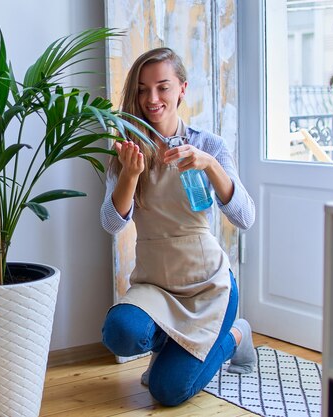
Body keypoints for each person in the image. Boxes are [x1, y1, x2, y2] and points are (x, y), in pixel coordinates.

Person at [100, 47, 257, 407]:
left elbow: (244, 217)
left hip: (208, 285)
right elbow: (110, 223)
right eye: (142, 89)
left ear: (182, 89)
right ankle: (172, 343)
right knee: (120, 332)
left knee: (167, 391)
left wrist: (210, 166)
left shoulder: (208, 145)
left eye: (162, 87)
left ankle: (235, 334)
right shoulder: (125, 151)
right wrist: (130, 174)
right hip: (155, 284)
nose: (151, 99)